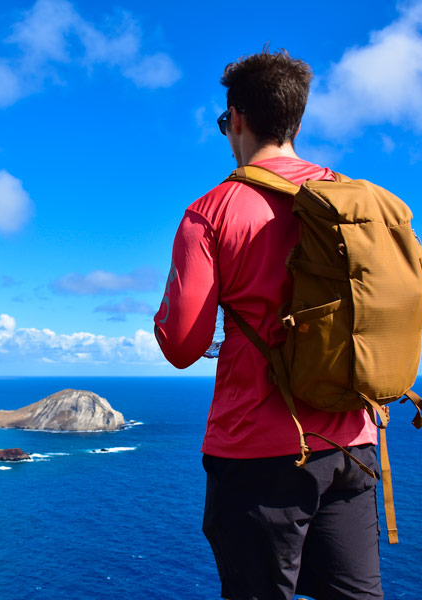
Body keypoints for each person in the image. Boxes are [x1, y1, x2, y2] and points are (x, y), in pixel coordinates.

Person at [153, 49, 383, 600]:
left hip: (257, 451)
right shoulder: (356, 201)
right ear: (296, 122)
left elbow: (182, 345)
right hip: (353, 442)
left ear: (235, 119)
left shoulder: (212, 211)